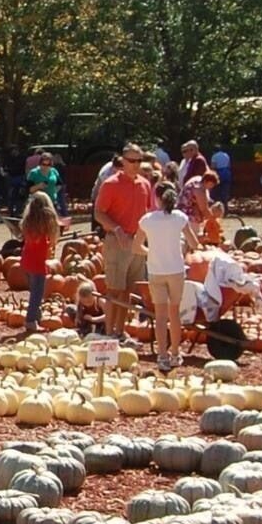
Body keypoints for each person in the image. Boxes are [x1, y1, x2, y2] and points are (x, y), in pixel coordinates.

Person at [92, 143, 156, 341]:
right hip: (116, 242)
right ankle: (109, 333)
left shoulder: (144, 184)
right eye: (131, 160)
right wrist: (117, 229)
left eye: (139, 160)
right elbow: (99, 213)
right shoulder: (111, 184)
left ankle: (120, 331)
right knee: (114, 289)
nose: (136, 164)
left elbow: (147, 212)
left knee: (128, 289)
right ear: (123, 161)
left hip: (136, 243)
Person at [140, 184, 200, 370]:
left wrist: (151, 252)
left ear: (156, 198)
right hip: (175, 270)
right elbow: (194, 243)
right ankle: (175, 353)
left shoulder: (147, 220)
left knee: (160, 315)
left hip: (156, 270)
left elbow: (136, 246)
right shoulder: (180, 218)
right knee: (174, 313)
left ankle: (162, 356)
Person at [18, 189, 59, 335]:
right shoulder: (47, 221)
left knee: (34, 292)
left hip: (26, 261)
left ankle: (36, 316)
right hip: (38, 264)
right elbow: (52, 241)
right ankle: (30, 321)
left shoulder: (28, 221)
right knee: (37, 294)